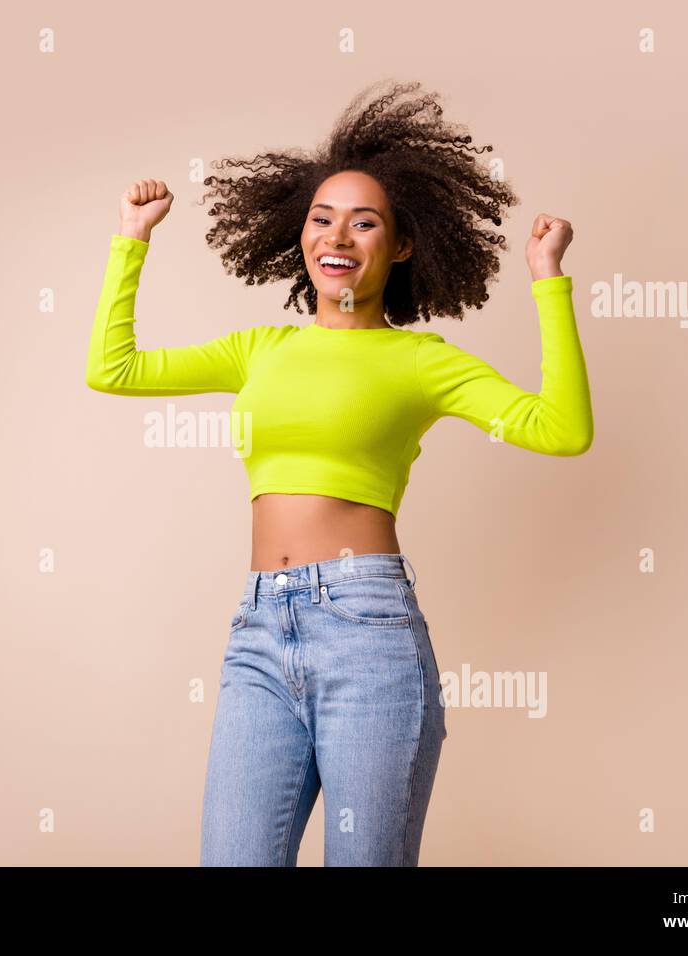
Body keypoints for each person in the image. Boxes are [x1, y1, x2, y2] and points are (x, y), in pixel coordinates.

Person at [84, 80, 593, 866]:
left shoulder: (422, 362)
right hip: (258, 634)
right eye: (323, 218)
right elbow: (112, 370)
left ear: (403, 244)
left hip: (368, 631)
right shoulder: (260, 350)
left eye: (365, 221)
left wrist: (547, 279)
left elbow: (561, 430)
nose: (339, 236)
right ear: (300, 236)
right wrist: (132, 239)